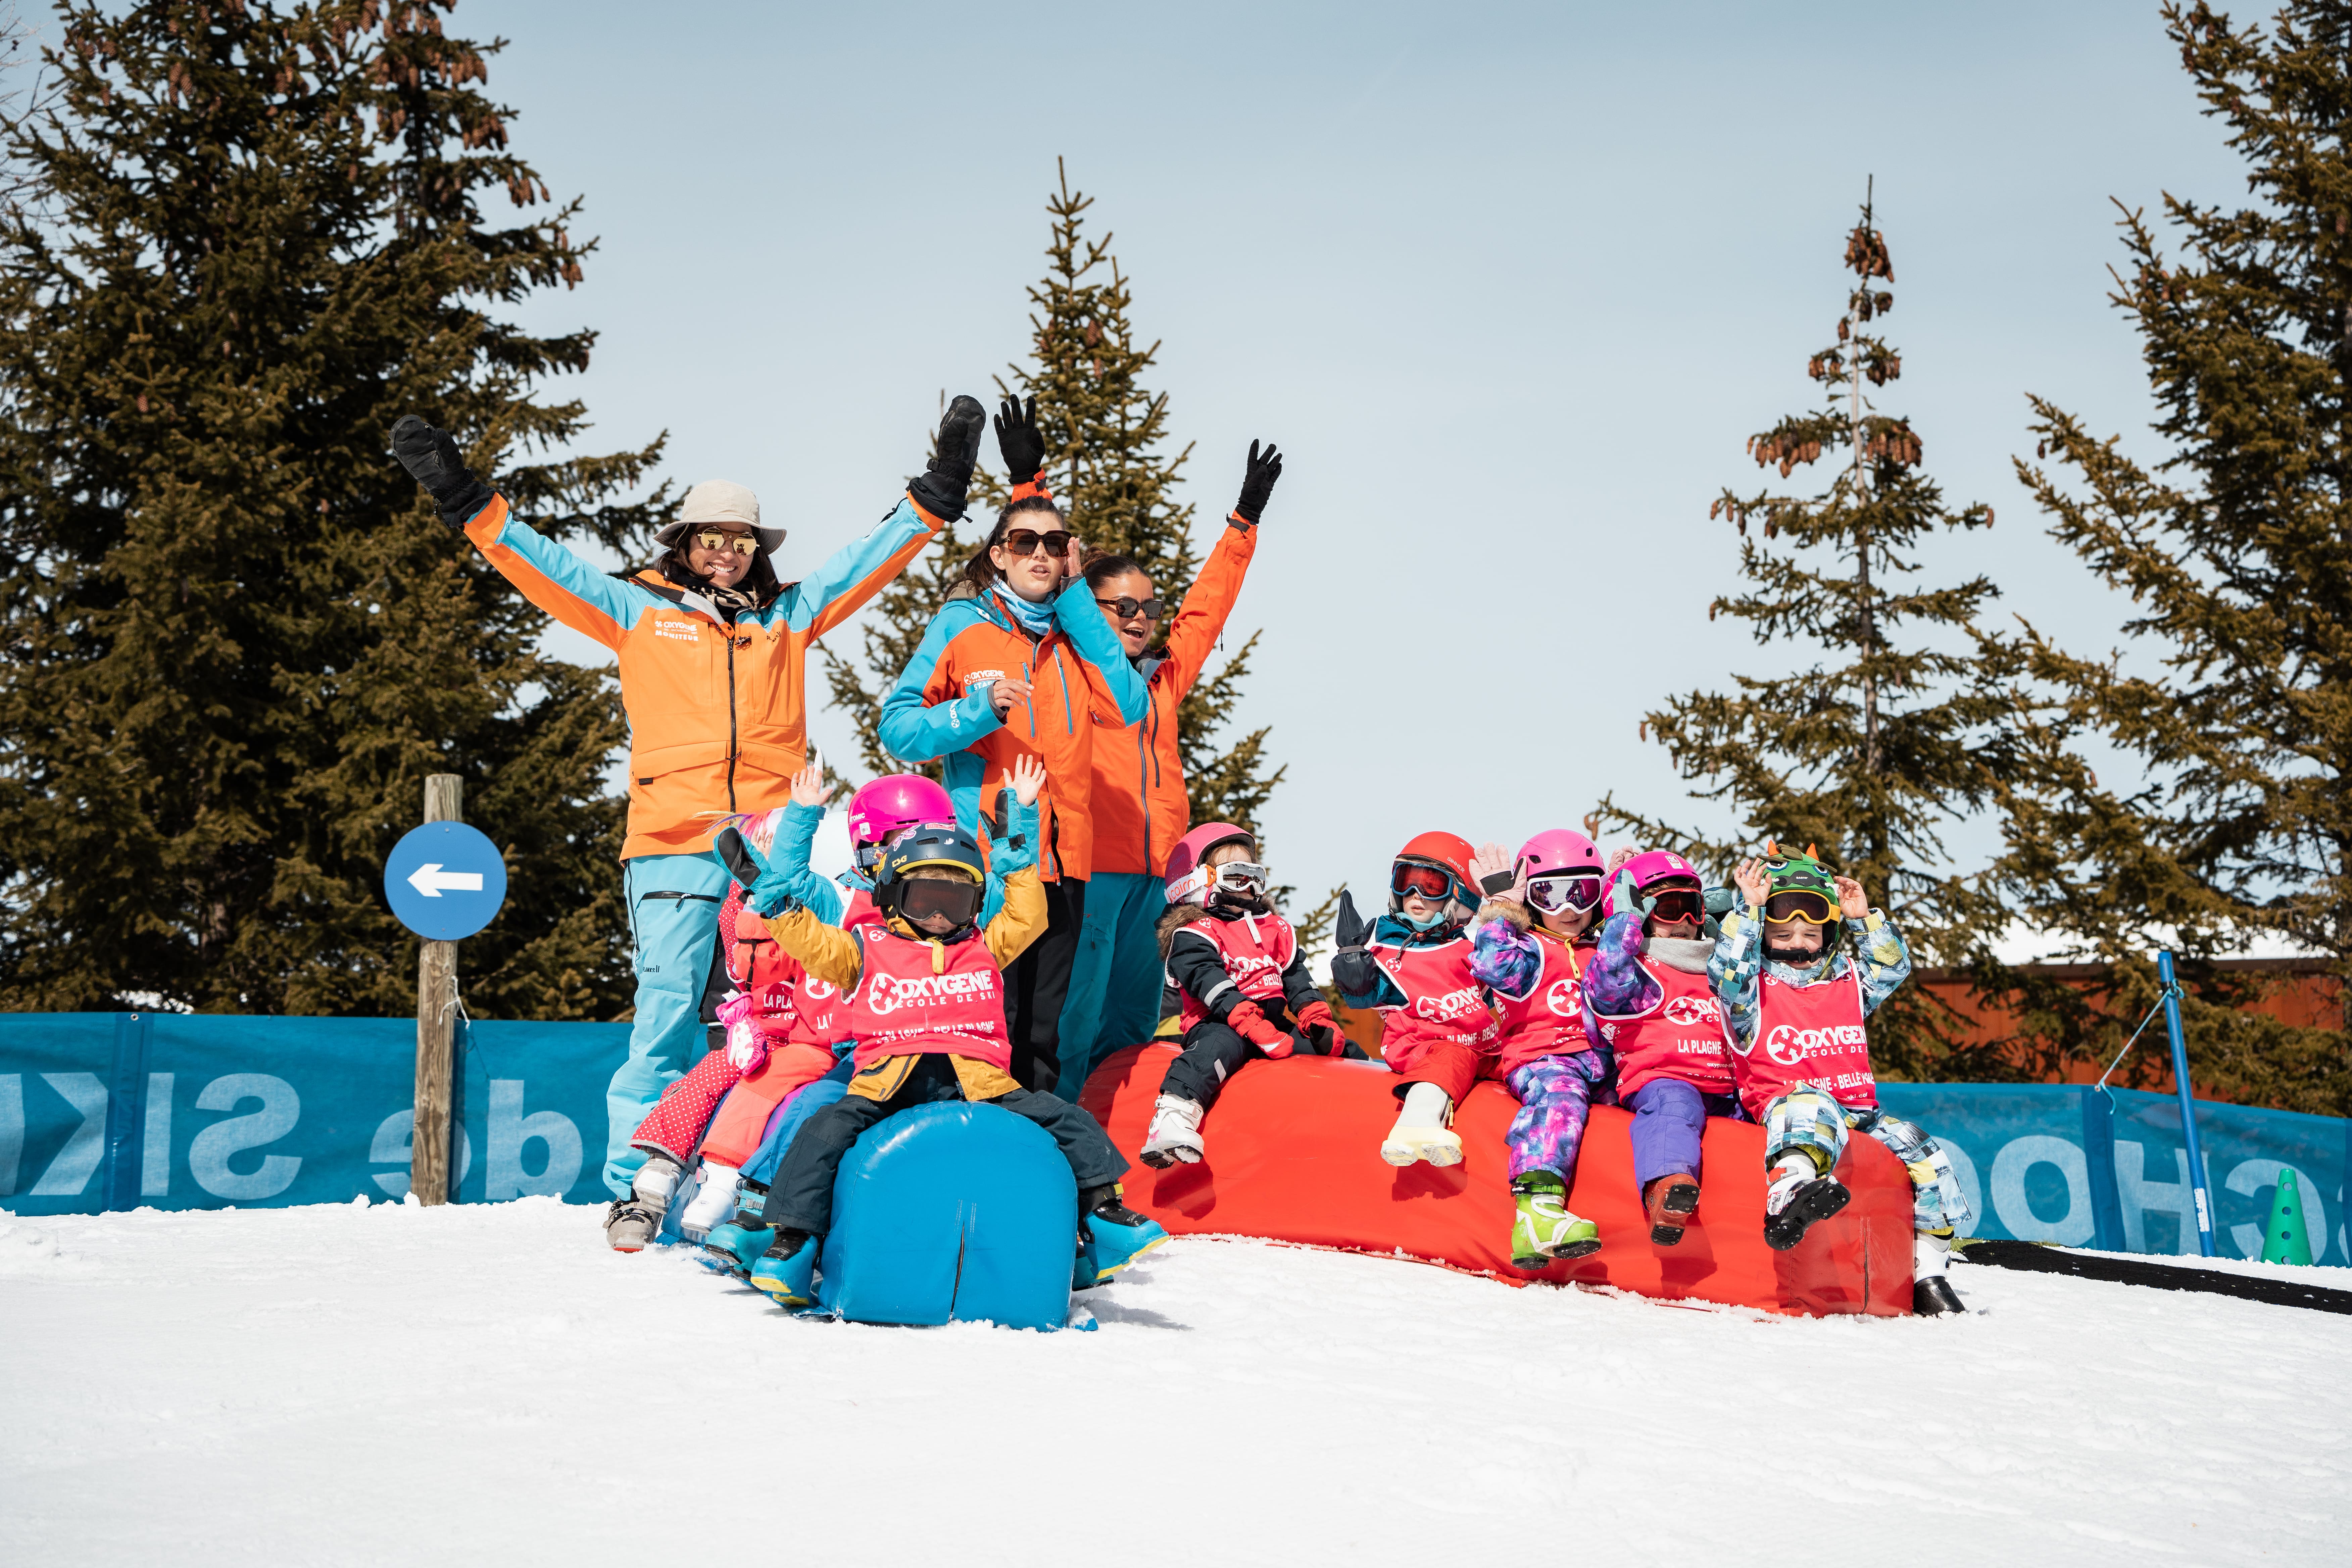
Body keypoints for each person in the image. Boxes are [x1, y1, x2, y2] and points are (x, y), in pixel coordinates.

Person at [388, 397, 988, 1195]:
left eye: (739, 540)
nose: (725, 553)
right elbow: (544, 566)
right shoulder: (640, 609)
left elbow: (863, 563)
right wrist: (464, 496)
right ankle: (630, 1186)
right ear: (686, 542)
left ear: (755, 547)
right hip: (674, 838)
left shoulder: (789, 615)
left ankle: (740, 1175)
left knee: (781, 1016)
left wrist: (937, 494)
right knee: (667, 1012)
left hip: (773, 849)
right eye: (710, 538)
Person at [723, 815, 1167, 1308]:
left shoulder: (982, 947)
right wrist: (775, 899)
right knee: (822, 1132)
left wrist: (1016, 857)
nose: (938, 917)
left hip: (980, 1081)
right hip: (888, 1084)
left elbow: (1027, 917)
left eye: (953, 903)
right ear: (893, 896)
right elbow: (813, 942)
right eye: (925, 900)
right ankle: (794, 1241)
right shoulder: (866, 949)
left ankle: (1101, 1218)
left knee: (1068, 1120)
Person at [876, 398, 1148, 1093]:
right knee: (983, 1022)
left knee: (1045, 1036)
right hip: (989, 862)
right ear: (998, 554)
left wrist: (1079, 596)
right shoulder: (961, 625)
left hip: (1067, 863)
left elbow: (1130, 703)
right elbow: (899, 725)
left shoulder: (1077, 638)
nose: (1039, 554)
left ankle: (1037, 1177)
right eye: (1024, 543)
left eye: (1055, 545)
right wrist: (973, 712)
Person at [1053, 441, 1285, 1100]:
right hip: (1091, 867)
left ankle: (1108, 1142)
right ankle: (1055, 1134)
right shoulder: (1068, 675)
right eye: (1117, 607)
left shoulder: (1161, 680)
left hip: (1157, 879)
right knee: (1075, 1016)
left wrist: (1244, 521)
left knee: (1132, 1021)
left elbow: (1206, 611)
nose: (1137, 619)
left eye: (1144, 608)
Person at [1714, 846, 1973, 1314]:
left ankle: (1930, 1276)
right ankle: (1789, 1192)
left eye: (1811, 933)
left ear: (1828, 934)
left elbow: (1892, 968)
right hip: (1790, 1107)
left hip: (1860, 1115)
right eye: (1784, 932)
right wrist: (1749, 911)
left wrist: (1864, 918)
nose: (1798, 944)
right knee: (1810, 1106)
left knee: (1929, 1158)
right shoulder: (1751, 992)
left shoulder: (1849, 981)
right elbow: (1728, 972)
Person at [1139, 823, 1346, 1167]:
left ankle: (1379, 1102)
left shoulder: (1273, 928)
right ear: (1197, 882)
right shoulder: (1195, 933)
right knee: (1214, 1050)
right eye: (1237, 877)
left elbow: (1295, 975)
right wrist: (1244, 1019)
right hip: (1218, 1021)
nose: (1249, 888)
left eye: (1255, 877)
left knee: (1336, 1049)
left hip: (1272, 1024)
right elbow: (1207, 979)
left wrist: (1315, 1016)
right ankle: (1172, 1117)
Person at [1465, 830, 1613, 1268]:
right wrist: (1501, 911)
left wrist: (1629, 890)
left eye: (1581, 892)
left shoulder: (1600, 950)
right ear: (1530, 898)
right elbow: (1492, 966)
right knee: (1560, 1097)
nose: (1568, 909)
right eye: (1550, 894)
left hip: (1604, 1067)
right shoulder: (1528, 948)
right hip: (1545, 1059)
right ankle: (1538, 1207)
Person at [1581, 848, 1744, 1246]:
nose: (1686, 923)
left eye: (1693, 908)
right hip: (1664, 1079)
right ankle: (1665, 1185)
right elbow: (1606, 989)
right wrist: (1623, 929)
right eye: (1669, 909)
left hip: (1726, 1088)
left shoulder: (1715, 968)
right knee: (1675, 1107)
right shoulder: (1635, 966)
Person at [1330, 832, 1500, 1167]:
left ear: (1460, 897)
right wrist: (1356, 972)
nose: (1414, 896)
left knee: (1529, 1064)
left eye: (1431, 885)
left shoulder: (1469, 950)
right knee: (1451, 1056)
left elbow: (1509, 987)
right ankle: (1415, 1124)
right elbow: (1368, 995)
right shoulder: (1390, 952)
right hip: (1427, 1047)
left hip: (1485, 1048)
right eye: (1406, 882)